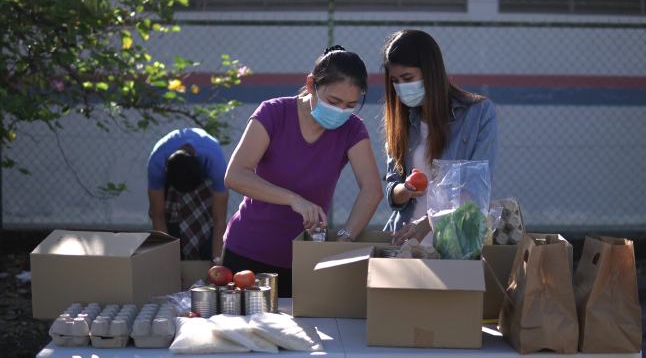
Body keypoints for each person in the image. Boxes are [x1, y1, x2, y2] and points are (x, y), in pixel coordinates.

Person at [222, 46, 383, 297]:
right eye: (333, 101)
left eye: (350, 105)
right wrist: (293, 199)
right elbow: (235, 175)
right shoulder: (273, 113)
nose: (340, 111)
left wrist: (345, 237)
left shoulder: (352, 129)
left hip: (305, 262)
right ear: (311, 84)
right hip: (246, 254)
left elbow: (372, 189)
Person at [381, 30, 498, 244]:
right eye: (395, 81)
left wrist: (427, 222)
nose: (401, 87)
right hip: (403, 242)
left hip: (454, 244)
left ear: (430, 72)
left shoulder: (479, 113)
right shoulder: (402, 120)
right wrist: (405, 190)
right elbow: (392, 190)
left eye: (408, 78)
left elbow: (474, 189)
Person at [147, 128, 228, 263]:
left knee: (209, 237)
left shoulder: (216, 163)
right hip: (171, 181)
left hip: (204, 179)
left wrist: (217, 262)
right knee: (170, 225)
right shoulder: (157, 162)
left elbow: (219, 219)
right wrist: (167, 263)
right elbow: (157, 215)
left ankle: (206, 257)